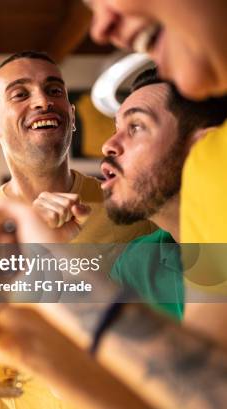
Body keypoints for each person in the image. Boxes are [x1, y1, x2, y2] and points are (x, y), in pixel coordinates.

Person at [0, 70, 227, 409]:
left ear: (204, 150)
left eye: (135, 127)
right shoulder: (138, 261)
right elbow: (150, 396)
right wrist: (23, 346)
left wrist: (61, 266)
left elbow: (212, 392)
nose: (108, 144)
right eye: (117, 127)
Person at [0, 51, 157, 409]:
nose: (43, 101)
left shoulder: (133, 210)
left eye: (55, 90)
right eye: (20, 94)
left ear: (72, 116)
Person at [85, 0, 227, 342]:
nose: (99, 28)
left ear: (202, 143)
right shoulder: (138, 261)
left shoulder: (215, 163)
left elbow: (204, 384)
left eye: (135, 127)